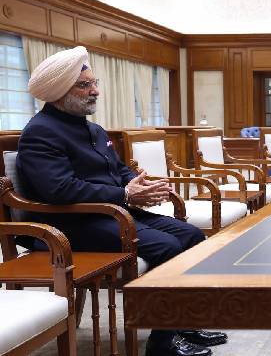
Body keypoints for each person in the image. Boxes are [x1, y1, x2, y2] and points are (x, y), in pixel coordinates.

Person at [16, 46, 227, 356]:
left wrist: (139, 183)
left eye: (94, 83)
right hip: (69, 225)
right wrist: (125, 194)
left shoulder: (93, 129)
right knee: (167, 247)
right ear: (60, 93)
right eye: (85, 85)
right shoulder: (40, 133)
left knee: (193, 236)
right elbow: (59, 190)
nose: (95, 91)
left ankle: (183, 324)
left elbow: (117, 169)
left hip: (111, 215)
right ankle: (162, 345)